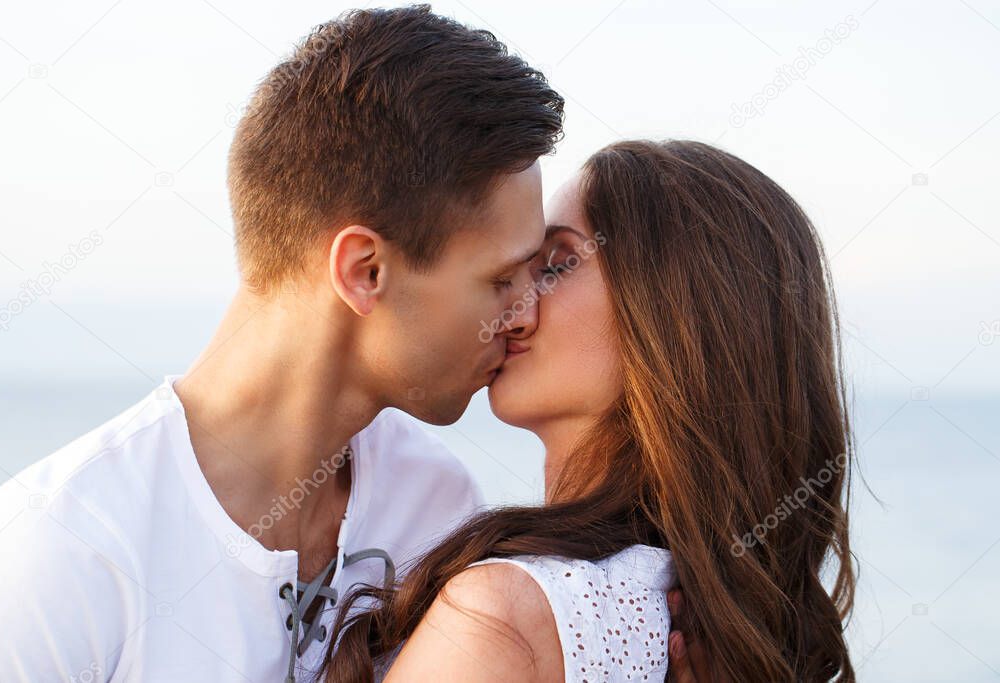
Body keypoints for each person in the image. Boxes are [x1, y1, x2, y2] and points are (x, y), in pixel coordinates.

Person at [0, 7, 565, 681]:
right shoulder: (53, 557)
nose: (525, 314)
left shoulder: (439, 508)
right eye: (501, 280)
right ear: (364, 272)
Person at [318, 140, 857, 683]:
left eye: (554, 267)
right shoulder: (682, 612)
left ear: (673, 319)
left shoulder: (504, 616)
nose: (512, 310)